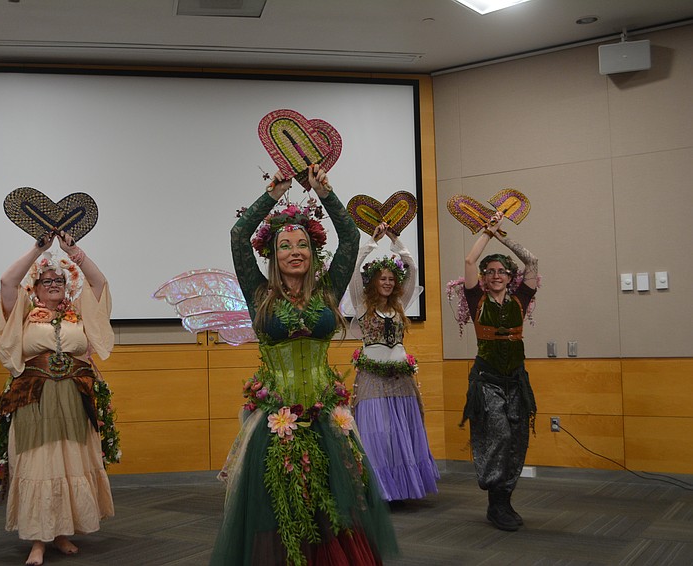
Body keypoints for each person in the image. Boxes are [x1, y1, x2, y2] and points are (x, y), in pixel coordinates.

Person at [211, 164, 398, 566]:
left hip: (327, 415)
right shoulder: (259, 294)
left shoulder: (328, 290)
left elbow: (349, 236)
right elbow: (237, 236)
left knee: (333, 503)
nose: (294, 251)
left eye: (302, 245)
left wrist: (323, 192)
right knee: (279, 505)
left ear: (313, 253)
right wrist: (274, 195)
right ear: (272, 255)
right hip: (276, 417)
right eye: (284, 245)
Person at [0, 230, 114, 566]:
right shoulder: (23, 312)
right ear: (35, 287)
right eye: (46, 280)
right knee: (39, 464)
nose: (53, 282)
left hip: (73, 399)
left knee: (69, 461)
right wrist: (39, 250)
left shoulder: (78, 314)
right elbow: (6, 281)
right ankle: (38, 541)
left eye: (59, 279)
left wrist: (74, 251)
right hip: (35, 398)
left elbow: (99, 284)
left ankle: (61, 532)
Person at [348, 221, 439, 502]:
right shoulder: (363, 305)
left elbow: (411, 269)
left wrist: (396, 240)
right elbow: (352, 272)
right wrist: (371, 242)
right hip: (372, 380)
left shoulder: (401, 305)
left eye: (391, 279)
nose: (387, 283)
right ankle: (379, 491)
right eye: (382, 278)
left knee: (402, 431)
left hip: (401, 379)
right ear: (374, 282)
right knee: (376, 433)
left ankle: (401, 489)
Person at [460, 210, 538, 531]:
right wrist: (487, 234)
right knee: (500, 434)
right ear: (483, 276)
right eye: (489, 271)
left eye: (501, 271)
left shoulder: (521, 298)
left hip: (516, 381)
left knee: (517, 440)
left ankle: (504, 501)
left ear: (509, 276)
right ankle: (495, 497)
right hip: (487, 381)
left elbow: (532, 262)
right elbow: (468, 261)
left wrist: (505, 236)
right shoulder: (476, 297)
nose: (495, 275)